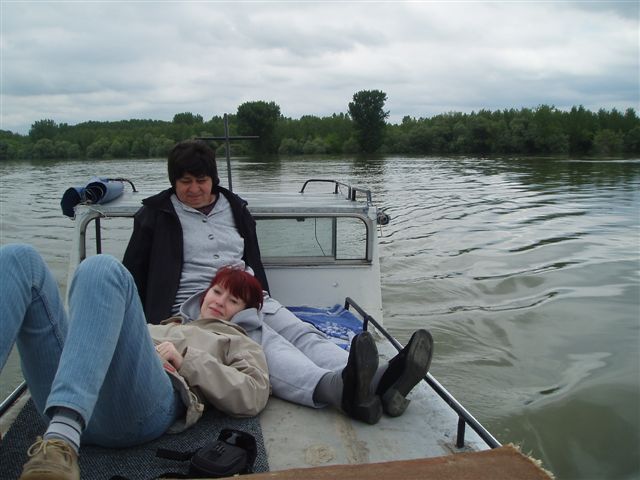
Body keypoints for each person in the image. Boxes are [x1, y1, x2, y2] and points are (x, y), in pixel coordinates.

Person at [123, 139, 433, 425]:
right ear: (174, 182)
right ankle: (335, 389)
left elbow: (252, 256)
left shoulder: (234, 207)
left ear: (213, 179)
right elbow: (132, 273)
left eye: (201, 180)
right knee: (264, 343)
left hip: (247, 293)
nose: (194, 189)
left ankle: (376, 381)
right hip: (201, 306)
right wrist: (142, 328)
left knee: (301, 332)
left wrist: (261, 296)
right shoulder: (155, 215)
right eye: (185, 181)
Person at [0, 244, 269, 480]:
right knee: (19, 258)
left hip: (136, 407)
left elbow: (253, 393)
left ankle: (60, 443)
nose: (220, 302)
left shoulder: (236, 340)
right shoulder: (168, 325)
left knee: (102, 268)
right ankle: (65, 424)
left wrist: (185, 359)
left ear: (244, 312)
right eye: (217, 291)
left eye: (233, 300)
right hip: (62, 399)